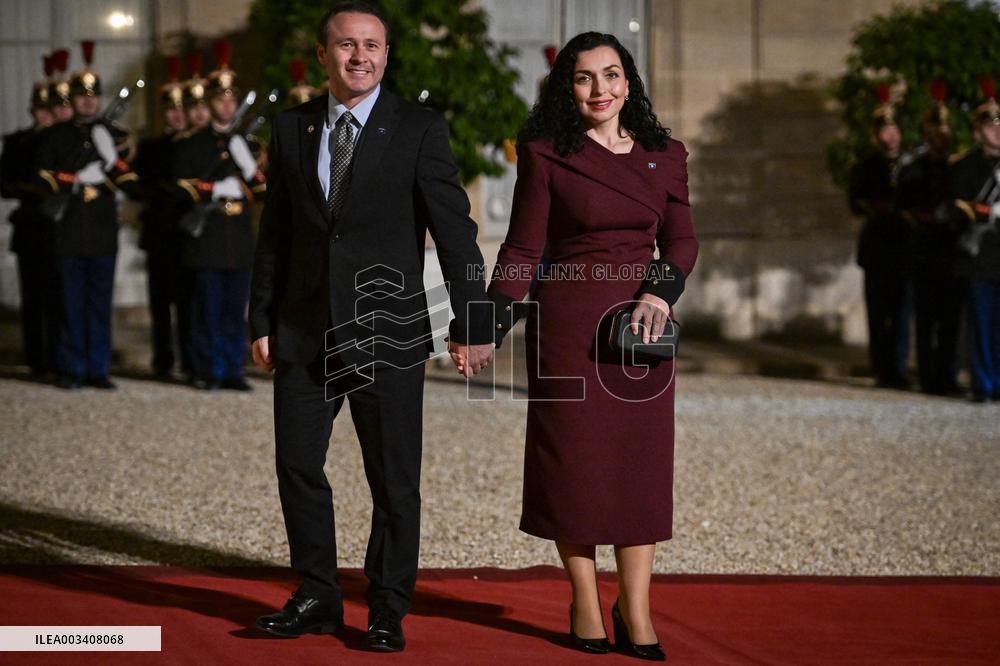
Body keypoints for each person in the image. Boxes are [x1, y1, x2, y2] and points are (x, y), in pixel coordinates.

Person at [249, 2, 494, 652]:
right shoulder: (291, 129)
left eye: (373, 46)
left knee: (394, 479)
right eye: (347, 45)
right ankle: (317, 595)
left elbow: (455, 234)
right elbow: (275, 233)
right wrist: (262, 316)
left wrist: (473, 321)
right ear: (324, 53)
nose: (361, 56)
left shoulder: (418, 129)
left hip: (387, 336)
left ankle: (387, 606)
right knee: (298, 466)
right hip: (303, 332)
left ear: (386, 54)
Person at [481, 32, 698, 660]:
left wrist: (660, 293)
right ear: (566, 88)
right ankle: (582, 596)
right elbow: (524, 248)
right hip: (569, 327)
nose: (600, 90)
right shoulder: (546, 152)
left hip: (641, 332)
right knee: (571, 467)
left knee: (639, 469)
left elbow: (682, 242)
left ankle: (636, 607)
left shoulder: (666, 153)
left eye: (611, 75)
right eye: (584, 78)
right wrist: (486, 325)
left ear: (628, 82)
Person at [33, 41, 139, 390]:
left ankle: (98, 369)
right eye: (82, 96)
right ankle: (71, 369)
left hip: (102, 232)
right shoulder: (55, 136)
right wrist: (76, 180)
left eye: (93, 96)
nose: (89, 102)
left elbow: (128, 178)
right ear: (73, 100)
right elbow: (43, 176)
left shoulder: (109, 134)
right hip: (66, 233)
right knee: (70, 306)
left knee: (97, 306)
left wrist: (114, 164)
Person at [172, 41, 264, 391]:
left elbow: (261, 191)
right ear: (210, 104)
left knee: (233, 312)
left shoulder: (245, 144)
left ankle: (231, 370)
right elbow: (181, 187)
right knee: (206, 311)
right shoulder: (192, 145)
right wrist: (216, 189)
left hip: (238, 239)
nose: (226, 105)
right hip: (207, 239)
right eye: (220, 100)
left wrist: (250, 168)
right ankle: (207, 370)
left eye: (230, 100)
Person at [896, 82, 963, 396]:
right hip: (924, 249)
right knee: (925, 319)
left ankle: (947, 375)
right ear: (926, 133)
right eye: (935, 130)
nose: (941, 136)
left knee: (950, 320)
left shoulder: (958, 168)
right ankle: (927, 376)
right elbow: (905, 207)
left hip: (952, 250)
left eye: (945, 130)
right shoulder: (914, 169)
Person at [849, 84, 913, 389]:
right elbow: (855, 201)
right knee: (878, 313)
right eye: (885, 132)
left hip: (905, 246)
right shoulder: (865, 166)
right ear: (877, 136)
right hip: (877, 247)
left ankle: (899, 367)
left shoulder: (911, 165)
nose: (891, 137)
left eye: (894, 130)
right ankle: (882, 369)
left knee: (902, 313)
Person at [0, 54, 59, 377]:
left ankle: (57, 356)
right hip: (31, 224)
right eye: (41, 108)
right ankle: (36, 358)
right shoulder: (20, 142)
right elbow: (7, 184)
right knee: (33, 296)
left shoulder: (63, 140)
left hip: (60, 227)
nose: (45, 114)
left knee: (59, 297)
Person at [135, 56, 192, 380]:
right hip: (159, 232)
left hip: (187, 234)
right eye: (170, 108)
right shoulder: (151, 147)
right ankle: (163, 360)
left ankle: (189, 359)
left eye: (180, 108)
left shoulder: (198, 144)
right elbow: (141, 188)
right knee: (159, 304)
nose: (176, 114)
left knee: (187, 303)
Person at [949, 78, 1000, 403]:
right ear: (978, 131)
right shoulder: (965, 166)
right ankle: (983, 383)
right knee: (981, 324)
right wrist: (990, 212)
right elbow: (958, 207)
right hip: (981, 255)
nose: (997, 131)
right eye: (990, 126)